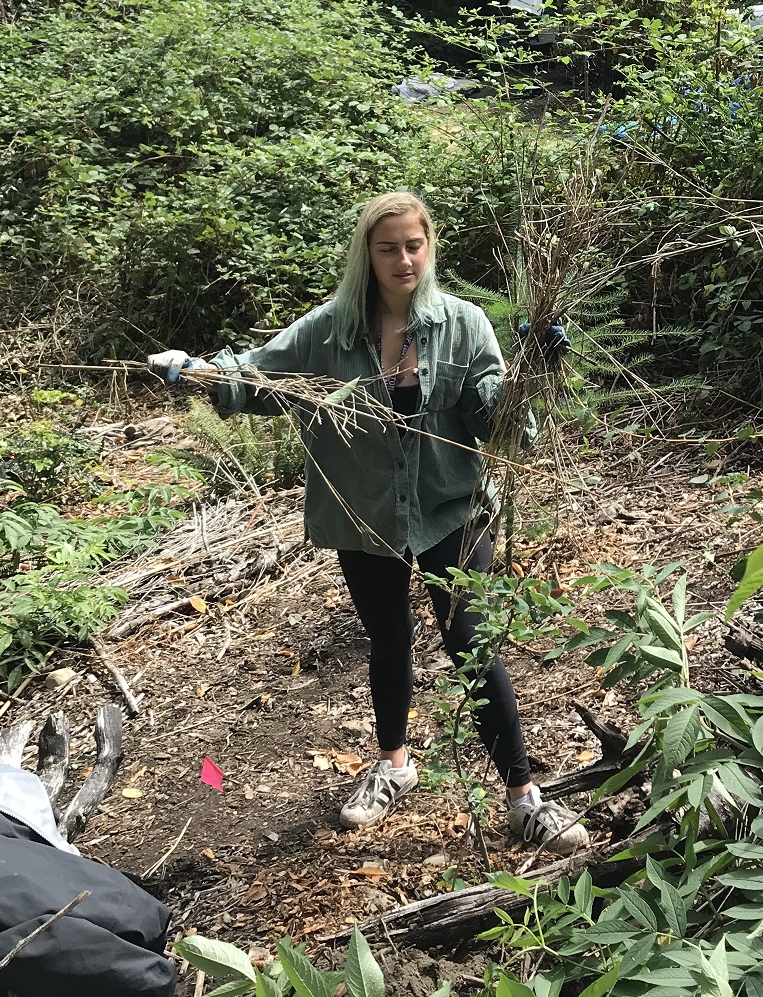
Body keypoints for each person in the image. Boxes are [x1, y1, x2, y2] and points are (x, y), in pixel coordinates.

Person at [148, 190, 590, 855]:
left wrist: (532, 375)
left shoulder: (464, 325)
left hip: (451, 508)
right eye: (388, 249)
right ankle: (393, 765)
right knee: (388, 637)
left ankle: (524, 798)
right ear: (367, 254)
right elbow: (259, 375)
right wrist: (196, 374)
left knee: (470, 641)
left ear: (429, 246)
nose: (403, 260)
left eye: (414, 245)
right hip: (365, 512)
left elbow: (499, 427)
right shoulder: (330, 330)